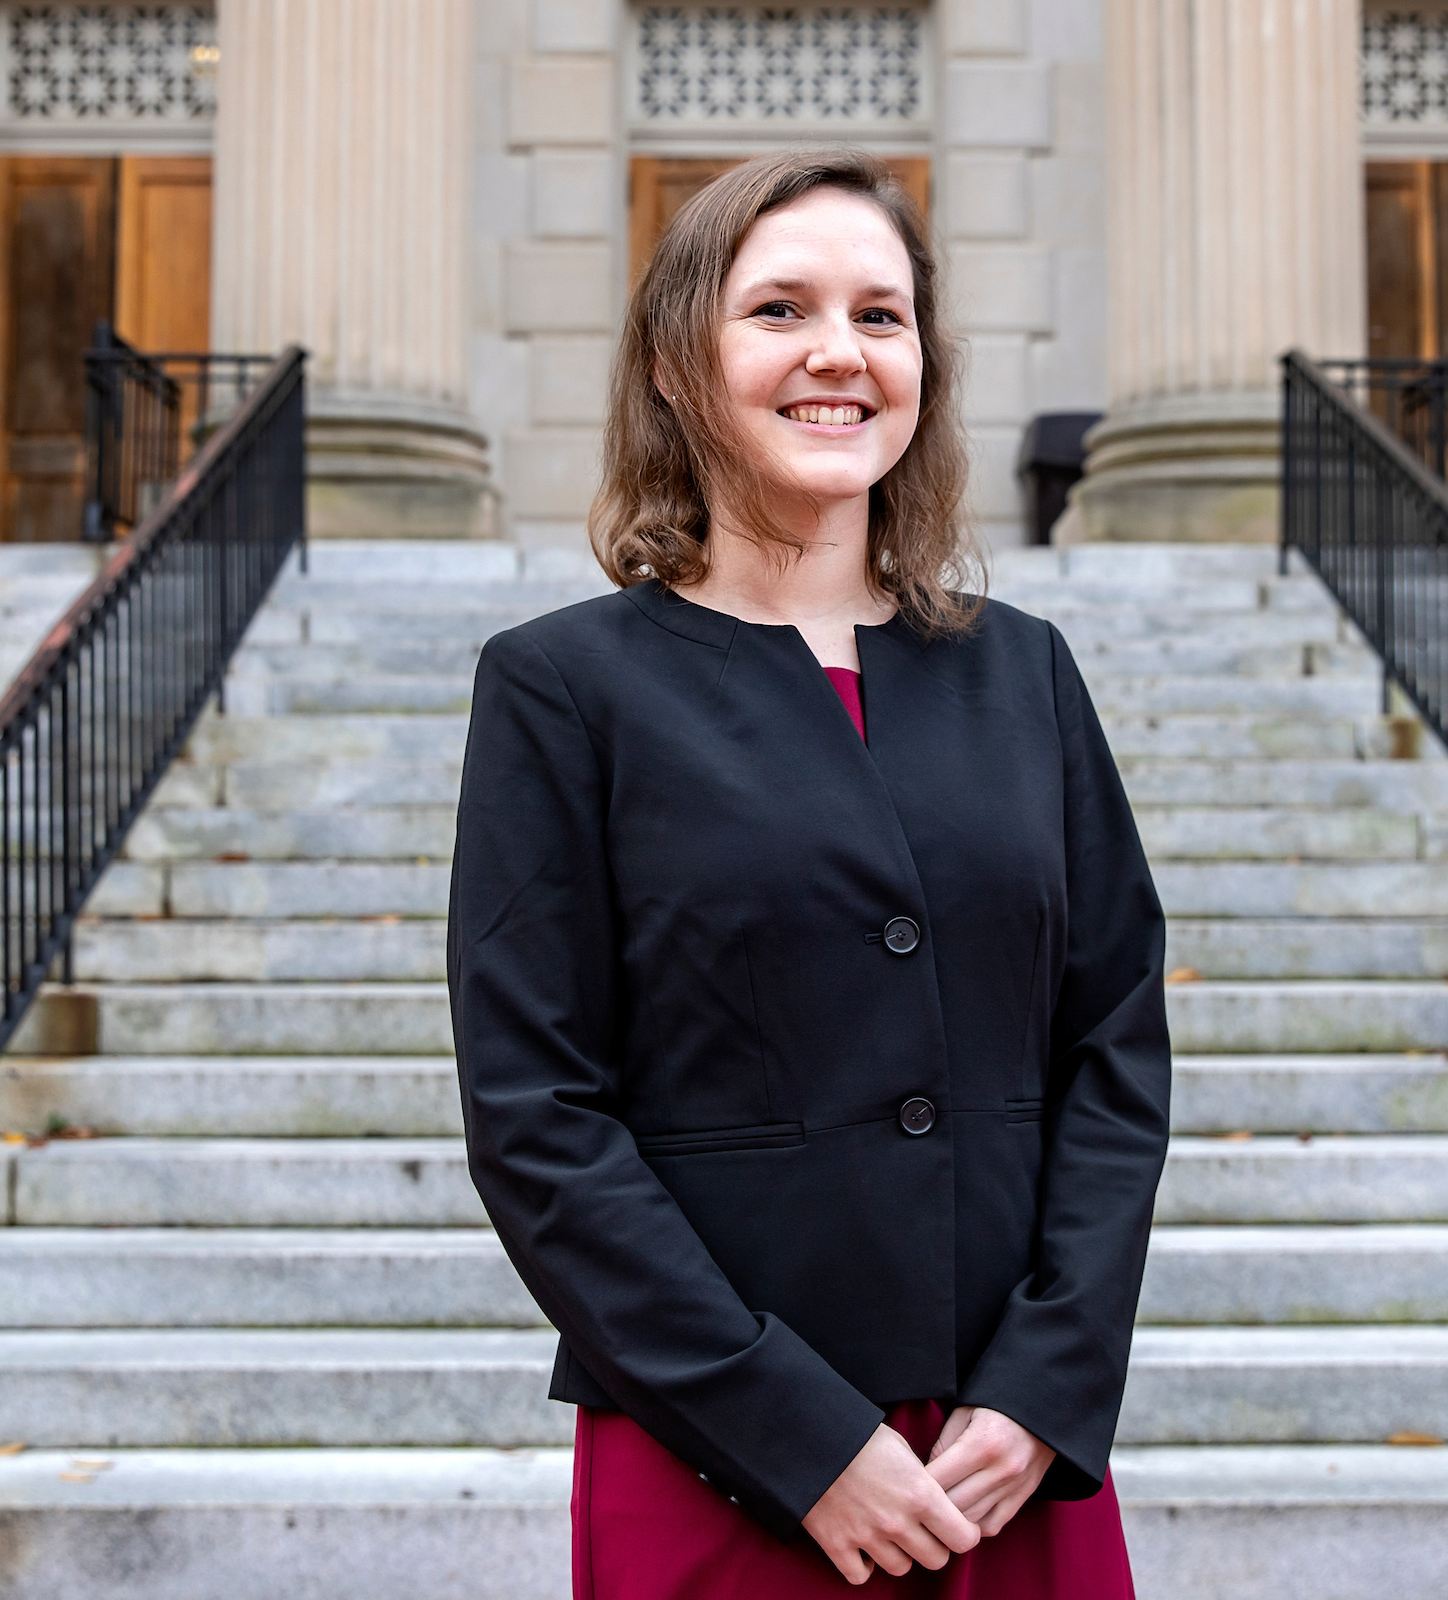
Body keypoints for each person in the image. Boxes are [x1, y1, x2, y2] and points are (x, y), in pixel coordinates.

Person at [449, 147, 1170, 1597]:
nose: (839, 353)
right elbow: (538, 1116)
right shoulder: (561, 691)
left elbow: (1114, 1053)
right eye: (779, 309)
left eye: (881, 316)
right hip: (720, 1454)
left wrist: (1047, 1386)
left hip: (999, 1458)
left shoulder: (1024, 673)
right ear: (675, 362)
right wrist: (794, 1434)